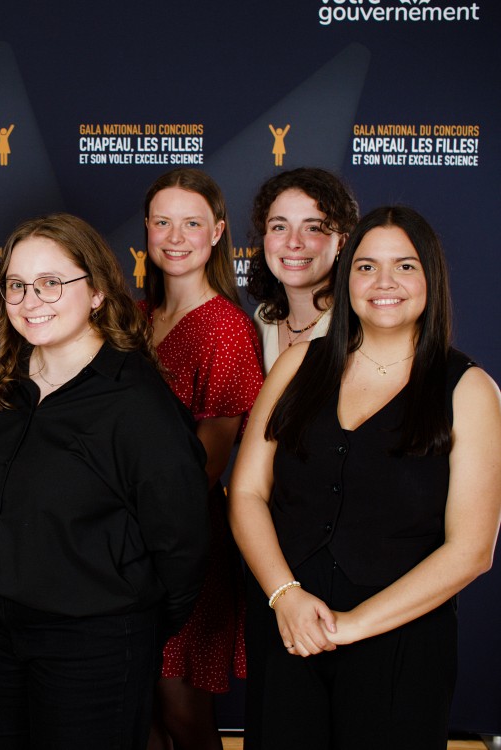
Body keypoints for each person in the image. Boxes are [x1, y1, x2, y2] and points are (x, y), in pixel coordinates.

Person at [228, 206, 501, 750]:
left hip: (402, 644)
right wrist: (285, 596)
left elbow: (472, 549)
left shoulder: (468, 390)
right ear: (346, 276)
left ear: (431, 280)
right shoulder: (297, 366)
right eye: (366, 266)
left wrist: (351, 626)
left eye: (404, 266)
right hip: (289, 629)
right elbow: (248, 492)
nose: (384, 283)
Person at [0, 213, 210, 749]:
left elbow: (182, 543)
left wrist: (128, 626)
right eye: (17, 286)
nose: (32, 300)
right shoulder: (7, 381)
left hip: (94, 640)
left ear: (96, 291)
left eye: (52, 282)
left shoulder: (138, 405)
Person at [139, 168, 263, 750]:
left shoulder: (227, 328)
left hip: (182, 542)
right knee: (144, 713)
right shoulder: (136, 317)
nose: (174, 236)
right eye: (162, 222)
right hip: (125, 544)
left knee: (183, 712)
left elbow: (208, 462)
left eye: (191, 223)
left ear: (217, 232)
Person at [247, 168, 359, 373]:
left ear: (341, 242)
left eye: (313, 228)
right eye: (279, 227)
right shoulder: (263, 318)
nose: (293, 242)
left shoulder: (355, 327)